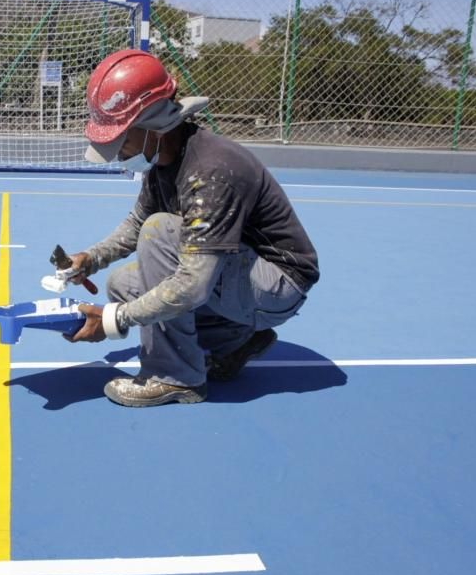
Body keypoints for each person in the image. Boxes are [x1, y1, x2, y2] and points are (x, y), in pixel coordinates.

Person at [64, 49, 319, 408]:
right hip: (236, 275)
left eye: (120, 136)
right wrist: (91, 259)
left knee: (160, 233)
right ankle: (236, 341)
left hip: (277, 283)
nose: (115, 149)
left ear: (153, 124)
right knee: (122, 284)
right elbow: (135, 224)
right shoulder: (164, 161)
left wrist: (112, 320)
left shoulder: (211, 170)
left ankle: (175, 378)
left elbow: (192, 283)